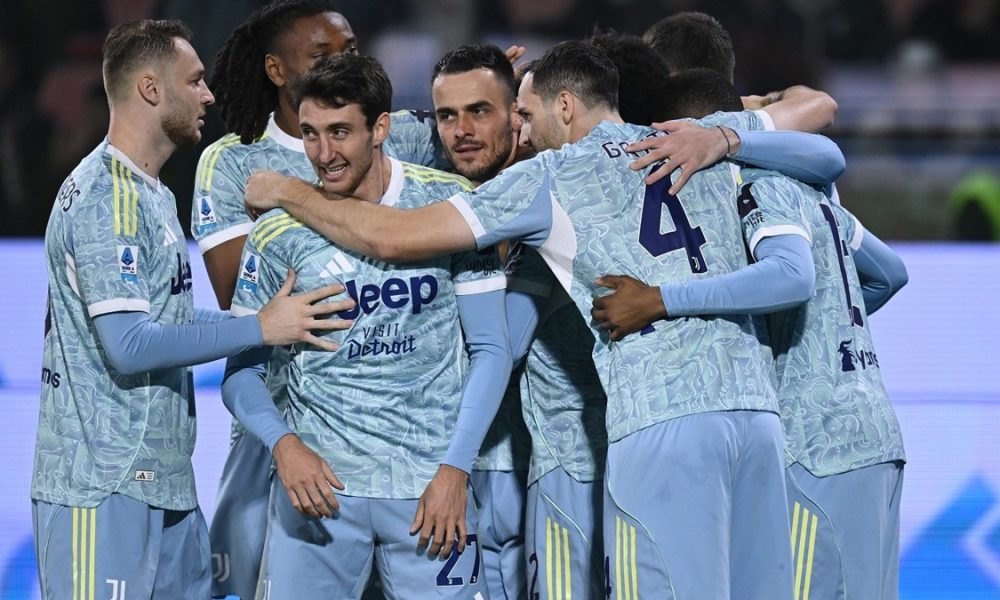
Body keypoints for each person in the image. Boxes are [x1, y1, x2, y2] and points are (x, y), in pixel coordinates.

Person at [244, 40, 797, 599]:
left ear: (559, 107)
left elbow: (400, 245)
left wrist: (287, 189)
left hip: (609, 437)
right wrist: (732, 136)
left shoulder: (541, 181)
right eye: (446, 116)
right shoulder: (695, 146)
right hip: (748, 412)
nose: (516, 130)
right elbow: (818, 142)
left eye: (516, 114)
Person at [31, 19, 351, 600]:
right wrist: (259, 327)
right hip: (102, 489)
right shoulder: (107, 197)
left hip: (162, 484)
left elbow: (169, 320)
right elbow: (129, 345)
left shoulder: (150, 191)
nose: (208, 95)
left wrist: (266, 324)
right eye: (195, 80)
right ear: (151, 89)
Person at [590, 68, 909, 600]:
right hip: (874, 433)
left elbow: (792, 277)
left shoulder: (757, 184)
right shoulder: (816, 194)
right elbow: (890, 274)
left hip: (814, 445)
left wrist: (661, 299)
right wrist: (820, 330)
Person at [224, 53, 510, 598]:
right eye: (310, 134)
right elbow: (241, 373)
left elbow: (491, 349)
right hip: (318, 496)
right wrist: (284, 445)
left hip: (430, 494)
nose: (323, 154)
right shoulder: (276, 233)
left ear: (380, 128)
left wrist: (455, 469)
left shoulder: (448, 206)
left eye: (340, 132)